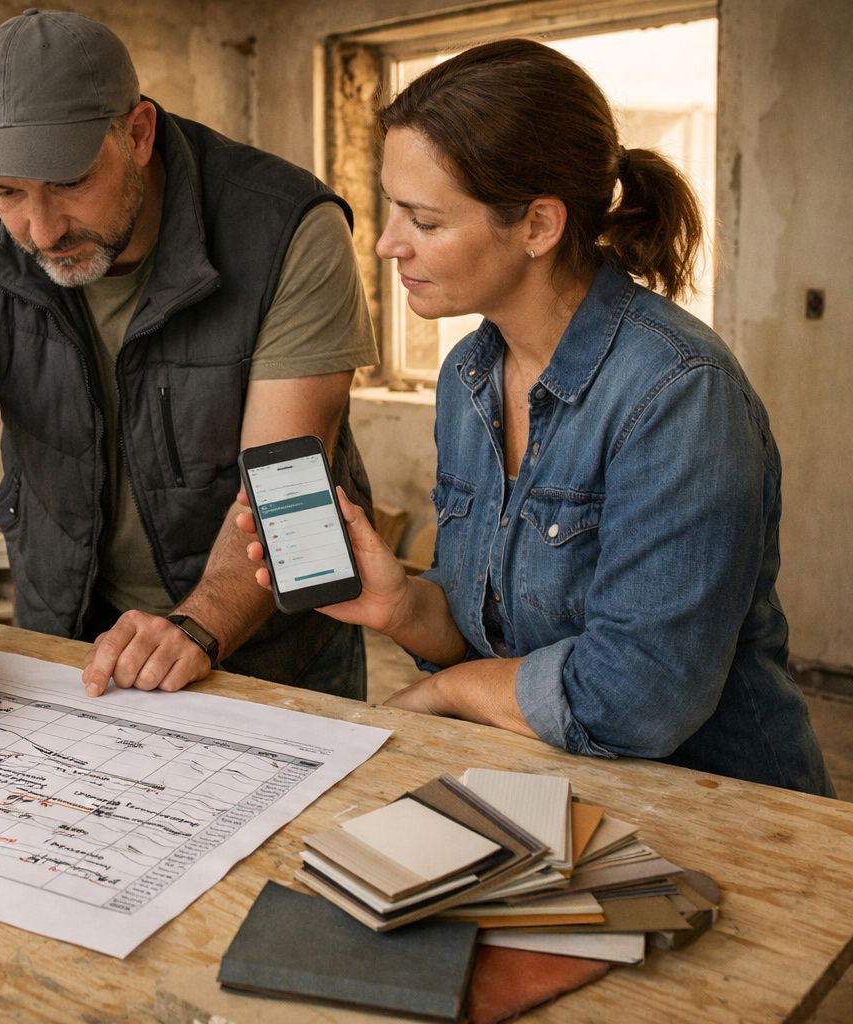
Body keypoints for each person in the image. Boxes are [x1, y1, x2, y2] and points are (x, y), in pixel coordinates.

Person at [239, 38, 832, 795]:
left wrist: (447, 695)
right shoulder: (469, 377)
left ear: (539, 226)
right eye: (394, 210)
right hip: (554, 790)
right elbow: (487, 634)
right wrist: (404, 605)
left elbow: (638, 700)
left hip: (730, 813)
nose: (388, 244)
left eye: (423, 219)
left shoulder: (679, 393)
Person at [0, 9, 378, 762]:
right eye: (6, 192)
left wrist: (199, 625)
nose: (39, 230)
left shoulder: (286, 229)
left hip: (267, 652)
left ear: (136, 134)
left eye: (67, 183)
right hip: (67, 642)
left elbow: (286, 479)